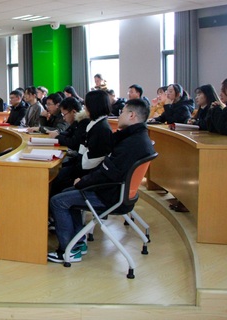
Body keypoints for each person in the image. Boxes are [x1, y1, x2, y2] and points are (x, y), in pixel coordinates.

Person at [48, 98, 155, 263]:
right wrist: (83, 181)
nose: (119, 115)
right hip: (117, 191)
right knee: (66, 193)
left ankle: (68, 250)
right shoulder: (137, 137)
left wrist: (82, 182)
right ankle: (77, 243)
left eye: (122, 112)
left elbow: (107, 173)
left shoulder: (131, 143)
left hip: (110, 194)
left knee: (58, 201)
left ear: (132, 115)